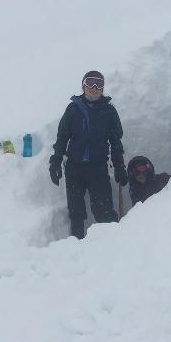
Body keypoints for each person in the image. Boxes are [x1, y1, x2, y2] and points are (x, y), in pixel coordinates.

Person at [48, 70, 127, 239]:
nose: (94, 87)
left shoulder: (109, 111)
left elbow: (115, 142)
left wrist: (119, 166)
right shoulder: (73, 109)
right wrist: (55, 161)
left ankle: (111, 244)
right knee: (76, 211)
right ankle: (76, 245)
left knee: (104, 211)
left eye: (99, 83)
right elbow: (62, 137)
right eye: (90, 83)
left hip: (97, 168)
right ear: (83, 86)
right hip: (74, 168)